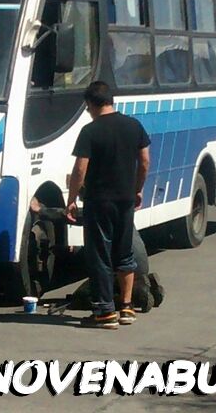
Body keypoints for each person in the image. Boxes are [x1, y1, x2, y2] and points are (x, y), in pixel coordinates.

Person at [66, 81, 150, 329]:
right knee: (124, 253)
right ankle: (126, 307)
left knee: (100, 255)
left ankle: (104, 312)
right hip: (125, 199)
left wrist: (71, 199)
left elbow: (80, 168)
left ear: (90, 104)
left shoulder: (90, 131)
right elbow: (144, 161)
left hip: (99, 201)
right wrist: (137, 188)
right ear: (111, 100)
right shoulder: (133, 125)